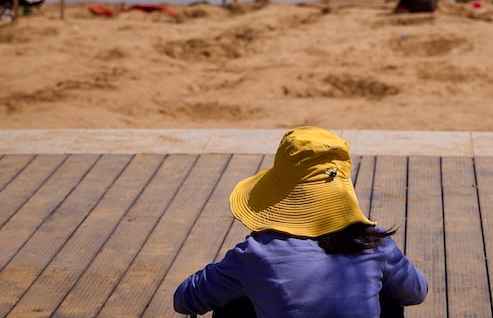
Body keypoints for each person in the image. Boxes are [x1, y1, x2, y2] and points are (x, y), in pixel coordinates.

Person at [173, 127, 428, 318]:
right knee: (387, 291)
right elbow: (416, 292)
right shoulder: (373, 242)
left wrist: (229, 275)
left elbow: (185, 300)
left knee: (232, 299)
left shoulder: (257, 254)